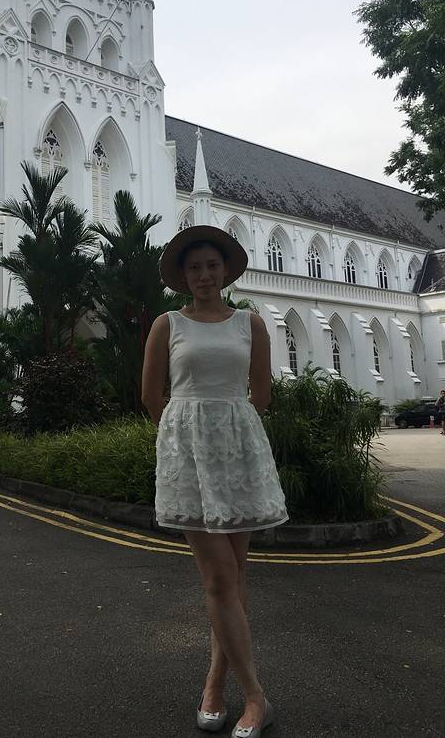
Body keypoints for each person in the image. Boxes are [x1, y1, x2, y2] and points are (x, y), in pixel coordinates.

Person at [142, 225, 288, 738]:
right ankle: (255, 697)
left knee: (233, 580)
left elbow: (260, 394)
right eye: (194, 268)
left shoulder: (251, 324)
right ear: (183, 276)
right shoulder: (167, 325)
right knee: (221, 579)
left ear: (225, 271)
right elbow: (152, 396)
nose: (204, 275)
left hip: (238, 454)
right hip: (188, 456)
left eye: (211, 266)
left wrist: (229, 430)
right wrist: (184, 435)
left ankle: (212, 686)